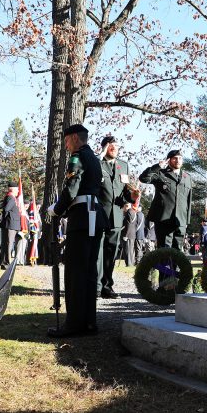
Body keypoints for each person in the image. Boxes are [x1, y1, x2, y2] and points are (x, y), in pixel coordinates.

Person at [46, 123, 108, 338]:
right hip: (95, 216)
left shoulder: (78, 157)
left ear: (73, 138)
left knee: (74, 272)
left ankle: (73, 324)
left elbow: (72, 187)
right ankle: (89, 322)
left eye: (66, 141)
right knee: (89, 272)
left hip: (82, 218)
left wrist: (57, 209)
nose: (65, 145)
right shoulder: (95, 159)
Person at [96, 135, 138, 298]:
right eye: (112, 146)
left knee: (111, 252)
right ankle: (96, 286)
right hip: (99, 213)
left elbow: (125, 192)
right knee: (98, 252)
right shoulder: (97, 163)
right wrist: (101, 154)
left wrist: (132, 196)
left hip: (116, 217)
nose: (115, 149)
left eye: (117, 146)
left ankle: (107, 286)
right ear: (105, 147)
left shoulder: (123, 165)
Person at [139, 149, 193, 250]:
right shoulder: (160, 173)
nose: (178, 161)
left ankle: (176, 267)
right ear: (169, 160)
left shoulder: (187, 177)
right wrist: (157, 166)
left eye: (180, 158)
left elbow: (188, 200)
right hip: (163, 218)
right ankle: (165, 266)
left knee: (178, 251)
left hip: (180, 220)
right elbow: (143, 178)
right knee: (164, 250)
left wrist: (186, 221)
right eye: (175, 158)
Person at [0, 182, 22, 268]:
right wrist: (6, 221)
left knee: (8, 244)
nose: (18, 191)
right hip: (10, 224)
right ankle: (6, 263)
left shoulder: (11, 197)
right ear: (12, 189)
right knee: (8, 244)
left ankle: (5, 262)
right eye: (17, 189)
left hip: (12, 224)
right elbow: (6, 210)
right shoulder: (11, 198)